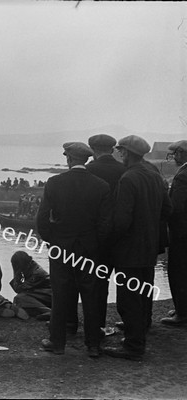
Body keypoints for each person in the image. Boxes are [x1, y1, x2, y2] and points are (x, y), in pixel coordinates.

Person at [37, 142, 111, 358]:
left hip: (61, 247)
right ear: (86, 160)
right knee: (91, 295)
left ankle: (57, 342)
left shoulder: (54, 182)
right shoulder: (101, 186)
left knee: (60, 295)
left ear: (69, 159)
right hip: (89, 248)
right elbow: (105, 224)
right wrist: (95, 244)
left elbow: (42, 219)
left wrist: (53, 239)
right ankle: (93, 345)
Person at [103, 135, 172, 361]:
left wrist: (109, 239)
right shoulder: (154, 175)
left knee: (128, 298)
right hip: (149, 247)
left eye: (121, 151)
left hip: (129, 250)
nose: (119, 155)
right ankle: (140, 331)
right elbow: (167, 211)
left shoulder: (128, 178)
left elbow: (122, 220)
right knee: (143, 292)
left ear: (127, 153)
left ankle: (133, 347)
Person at [86, 134, 127, 332]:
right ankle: (131, 323)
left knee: (96, 287)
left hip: (95, 237)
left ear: (93, 150)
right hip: (121, 237)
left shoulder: (88, 171)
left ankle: (97, 327)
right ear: (112, 150)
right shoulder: (125, 170)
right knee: (127, 284)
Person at [160, 140, 187, 326]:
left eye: (175, 154)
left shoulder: (182, 176)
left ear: (182, 153)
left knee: (179, 272)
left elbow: (176, 209)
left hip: (182, 234)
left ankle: (182, 313)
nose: (174, 157)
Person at [9, 251, 52, 320]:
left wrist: (16, 275)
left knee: (20, 298)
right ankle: (43, 311)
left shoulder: (36, 273)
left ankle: (48, 311)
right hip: (43, 295)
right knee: (20, 300)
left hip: (49, 295)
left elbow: (19, 290)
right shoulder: (30, 267)